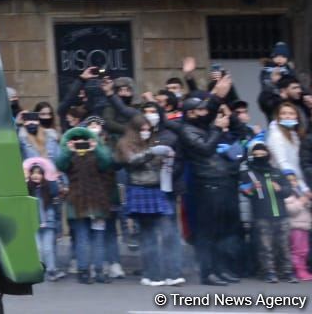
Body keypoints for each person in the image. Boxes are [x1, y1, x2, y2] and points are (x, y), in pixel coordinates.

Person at [171, 87, 242, 286]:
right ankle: (207, 272)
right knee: (207, 233)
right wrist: (218, 128)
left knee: (221, 231)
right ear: (191, 113)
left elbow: (236, 130)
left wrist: (220, 99)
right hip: (205, 185)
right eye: (200, 110)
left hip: (222, 181)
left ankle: (221, 269)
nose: (205, 113)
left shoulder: (204, 125)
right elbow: (205, 149)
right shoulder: (187, 130)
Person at [114, 111, 180, 287]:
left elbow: (156, 161)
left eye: (148, 129)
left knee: (167, 230)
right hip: (140, 188)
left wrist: (166, 155)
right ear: (135, 129)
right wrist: (151, 152)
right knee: (148, 234)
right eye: (142, 129)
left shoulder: (151, 141)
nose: (146, 132)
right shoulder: (125, 143)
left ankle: (170, 272)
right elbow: (132, 161)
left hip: (157, 188)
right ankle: (152, 274)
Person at [55, 120, 114, 284]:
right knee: (82, 238)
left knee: (98, 238)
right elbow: (60, 164)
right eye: (78, 141)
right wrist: (69, 150)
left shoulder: (98, 150)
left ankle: (99, 271)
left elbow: (107, 163)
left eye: (84, 140)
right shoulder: (69, 153)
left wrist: (98, 148)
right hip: (77, 200)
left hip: (98, 199)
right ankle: (83, 271)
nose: (82, 143)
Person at [240, 138, 297, 283]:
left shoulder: (277, 172)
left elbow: (288, 190)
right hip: (262, 216)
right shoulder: (249, 173)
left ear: (268, 154)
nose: (260, 157)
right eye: (256, 154)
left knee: (284, 245)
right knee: (265, 247)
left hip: (281, 215)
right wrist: (252, 189)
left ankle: (286, 271)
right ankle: (268, 272)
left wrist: (281, 188)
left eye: (262, 154)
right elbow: (244, 191)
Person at [24, 158, 64, 280]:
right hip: (33, 223)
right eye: (34, 173)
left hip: (48, 222)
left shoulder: (48, 188)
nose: (36, 175)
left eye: (39, 173)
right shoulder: (28, 188)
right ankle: (39, 270)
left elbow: (56, 192)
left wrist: (51, 177)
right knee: (38, 248)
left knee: (48, 248)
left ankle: (51, 270)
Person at [269, 101, 307, 191]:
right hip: (285, 183)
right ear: (278, 117)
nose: (287, 116)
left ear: (296, 117)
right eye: (283, 113)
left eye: (291, 113)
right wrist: (298, 186)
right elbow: (282, 162)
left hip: (298, 181)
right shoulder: (276, 135)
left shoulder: (294, 135)